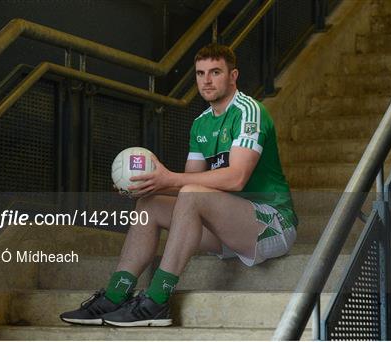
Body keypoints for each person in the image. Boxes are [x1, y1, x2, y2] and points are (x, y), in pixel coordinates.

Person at [60, 43, 297, 327]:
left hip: (270, 223)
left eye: (215, 72)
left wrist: (169, 179)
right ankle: (115, 294)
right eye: (200, 73)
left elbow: (236, 178)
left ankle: (157, 300)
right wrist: (148, 185)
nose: (206, 80)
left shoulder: (248, 111)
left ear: (233, 76)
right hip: (227, 226)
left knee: (191, 193)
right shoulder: (200, 124)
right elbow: (187, 188)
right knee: (150, 204)